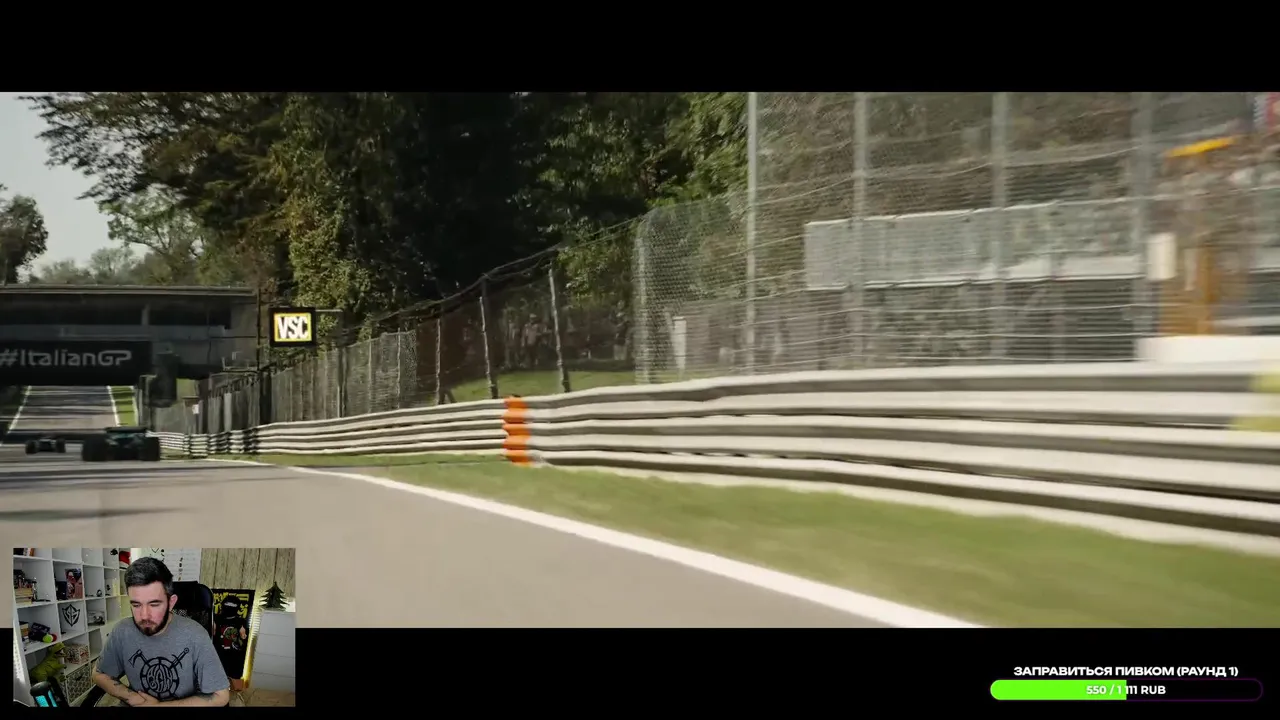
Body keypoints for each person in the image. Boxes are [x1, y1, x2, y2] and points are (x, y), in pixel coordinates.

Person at [90, 556, 230, 707]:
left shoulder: (196, 635)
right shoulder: (122, 631)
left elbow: (221, 696)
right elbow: (98, 674)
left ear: (171, 603)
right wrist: (134, 698)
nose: (144, 616)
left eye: (154, 604)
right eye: (136, 605)